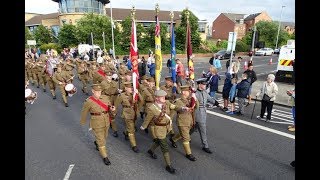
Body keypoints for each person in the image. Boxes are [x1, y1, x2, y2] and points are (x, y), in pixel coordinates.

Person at [140, 90, 180, 174]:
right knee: (164, 146)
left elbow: (174, 107)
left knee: (159, 141)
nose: (164, 98)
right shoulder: (152, 108)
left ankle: (151, 150)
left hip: (167, 127)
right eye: (162, 97)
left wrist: (182, 108)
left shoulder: (167, 103)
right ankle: (168, 165)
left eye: (164, 97)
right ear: (157, 98)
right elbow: (148, 119)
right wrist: (144, 126)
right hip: (159, 129)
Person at [80, 84, 116, 165]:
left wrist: (112, 109)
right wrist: (83, 121)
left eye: (100, 91)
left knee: (104, 136)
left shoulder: (105, 98)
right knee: (101, 140)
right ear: (93, 91)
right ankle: (105, 157)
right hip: (96, 122)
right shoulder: (89, 101)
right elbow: (84, 112)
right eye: (97, 91)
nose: (99, 93)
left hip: (106, 121)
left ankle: (97, 142)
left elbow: (109, 107)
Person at [170, 85, 197, 161]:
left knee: (183, 134)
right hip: (182, 121)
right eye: (188, 91)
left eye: (189, 91)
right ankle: (189, 154)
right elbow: (178, 108)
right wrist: (183, 108)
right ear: (183, 92)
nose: (189, 93)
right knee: (186, 138)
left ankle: (173, 139)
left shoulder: (191, 99)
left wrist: (194, 98)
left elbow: (196, 106)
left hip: (190, 121)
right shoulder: (178, 101)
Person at [114, 82, 142, 153]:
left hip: (134, 113)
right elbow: (116, 105)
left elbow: (142, 101)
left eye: (132, 87)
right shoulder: (121, 96)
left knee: (130, 126)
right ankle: (134, 145)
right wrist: (114, 113)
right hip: (127, 114)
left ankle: (126, 132)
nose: (132, 89)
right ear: (126, 88)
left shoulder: (134, 94)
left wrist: (138, 93)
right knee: (131, 129)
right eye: (130, 87)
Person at [194, 78, 219, 154]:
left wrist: (216, 103)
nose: (205, 85)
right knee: (203, 130)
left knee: (192, 128)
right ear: (199, 85)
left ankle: (176, 138)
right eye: (204, 84)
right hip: (198, 113)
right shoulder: (195, 93)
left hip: (203, 113)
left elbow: (209, 98)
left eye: (205, 84)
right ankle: (205, 146)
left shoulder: (204, 92)